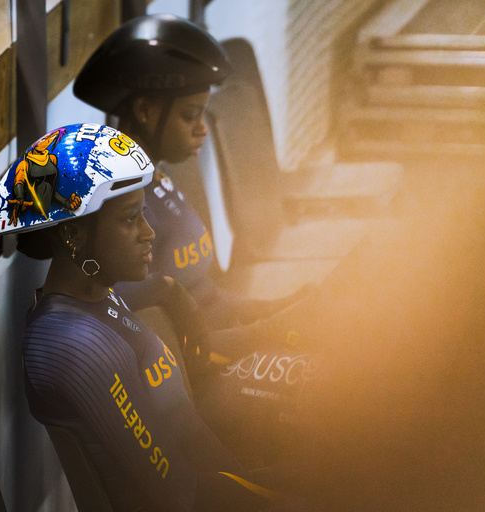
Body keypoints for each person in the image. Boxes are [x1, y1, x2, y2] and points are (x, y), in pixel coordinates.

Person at [0, 123, 311, 511]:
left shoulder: (97, 298)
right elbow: (178, 496)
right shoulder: (75, 342)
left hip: (226, 480)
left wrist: (176, 294)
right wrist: (308, 488)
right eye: (130, 218)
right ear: (74, 236)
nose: (149, 233)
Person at [72, 14, 322, 463]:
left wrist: (293, 306)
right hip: (196, 397)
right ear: (146, 110)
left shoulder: (158, 181)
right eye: (190, 115)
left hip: (224, 363)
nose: (202, 128)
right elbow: (167, 353)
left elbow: (210, 299)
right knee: (344, 405)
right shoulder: (119, 213)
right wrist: (276, 330)